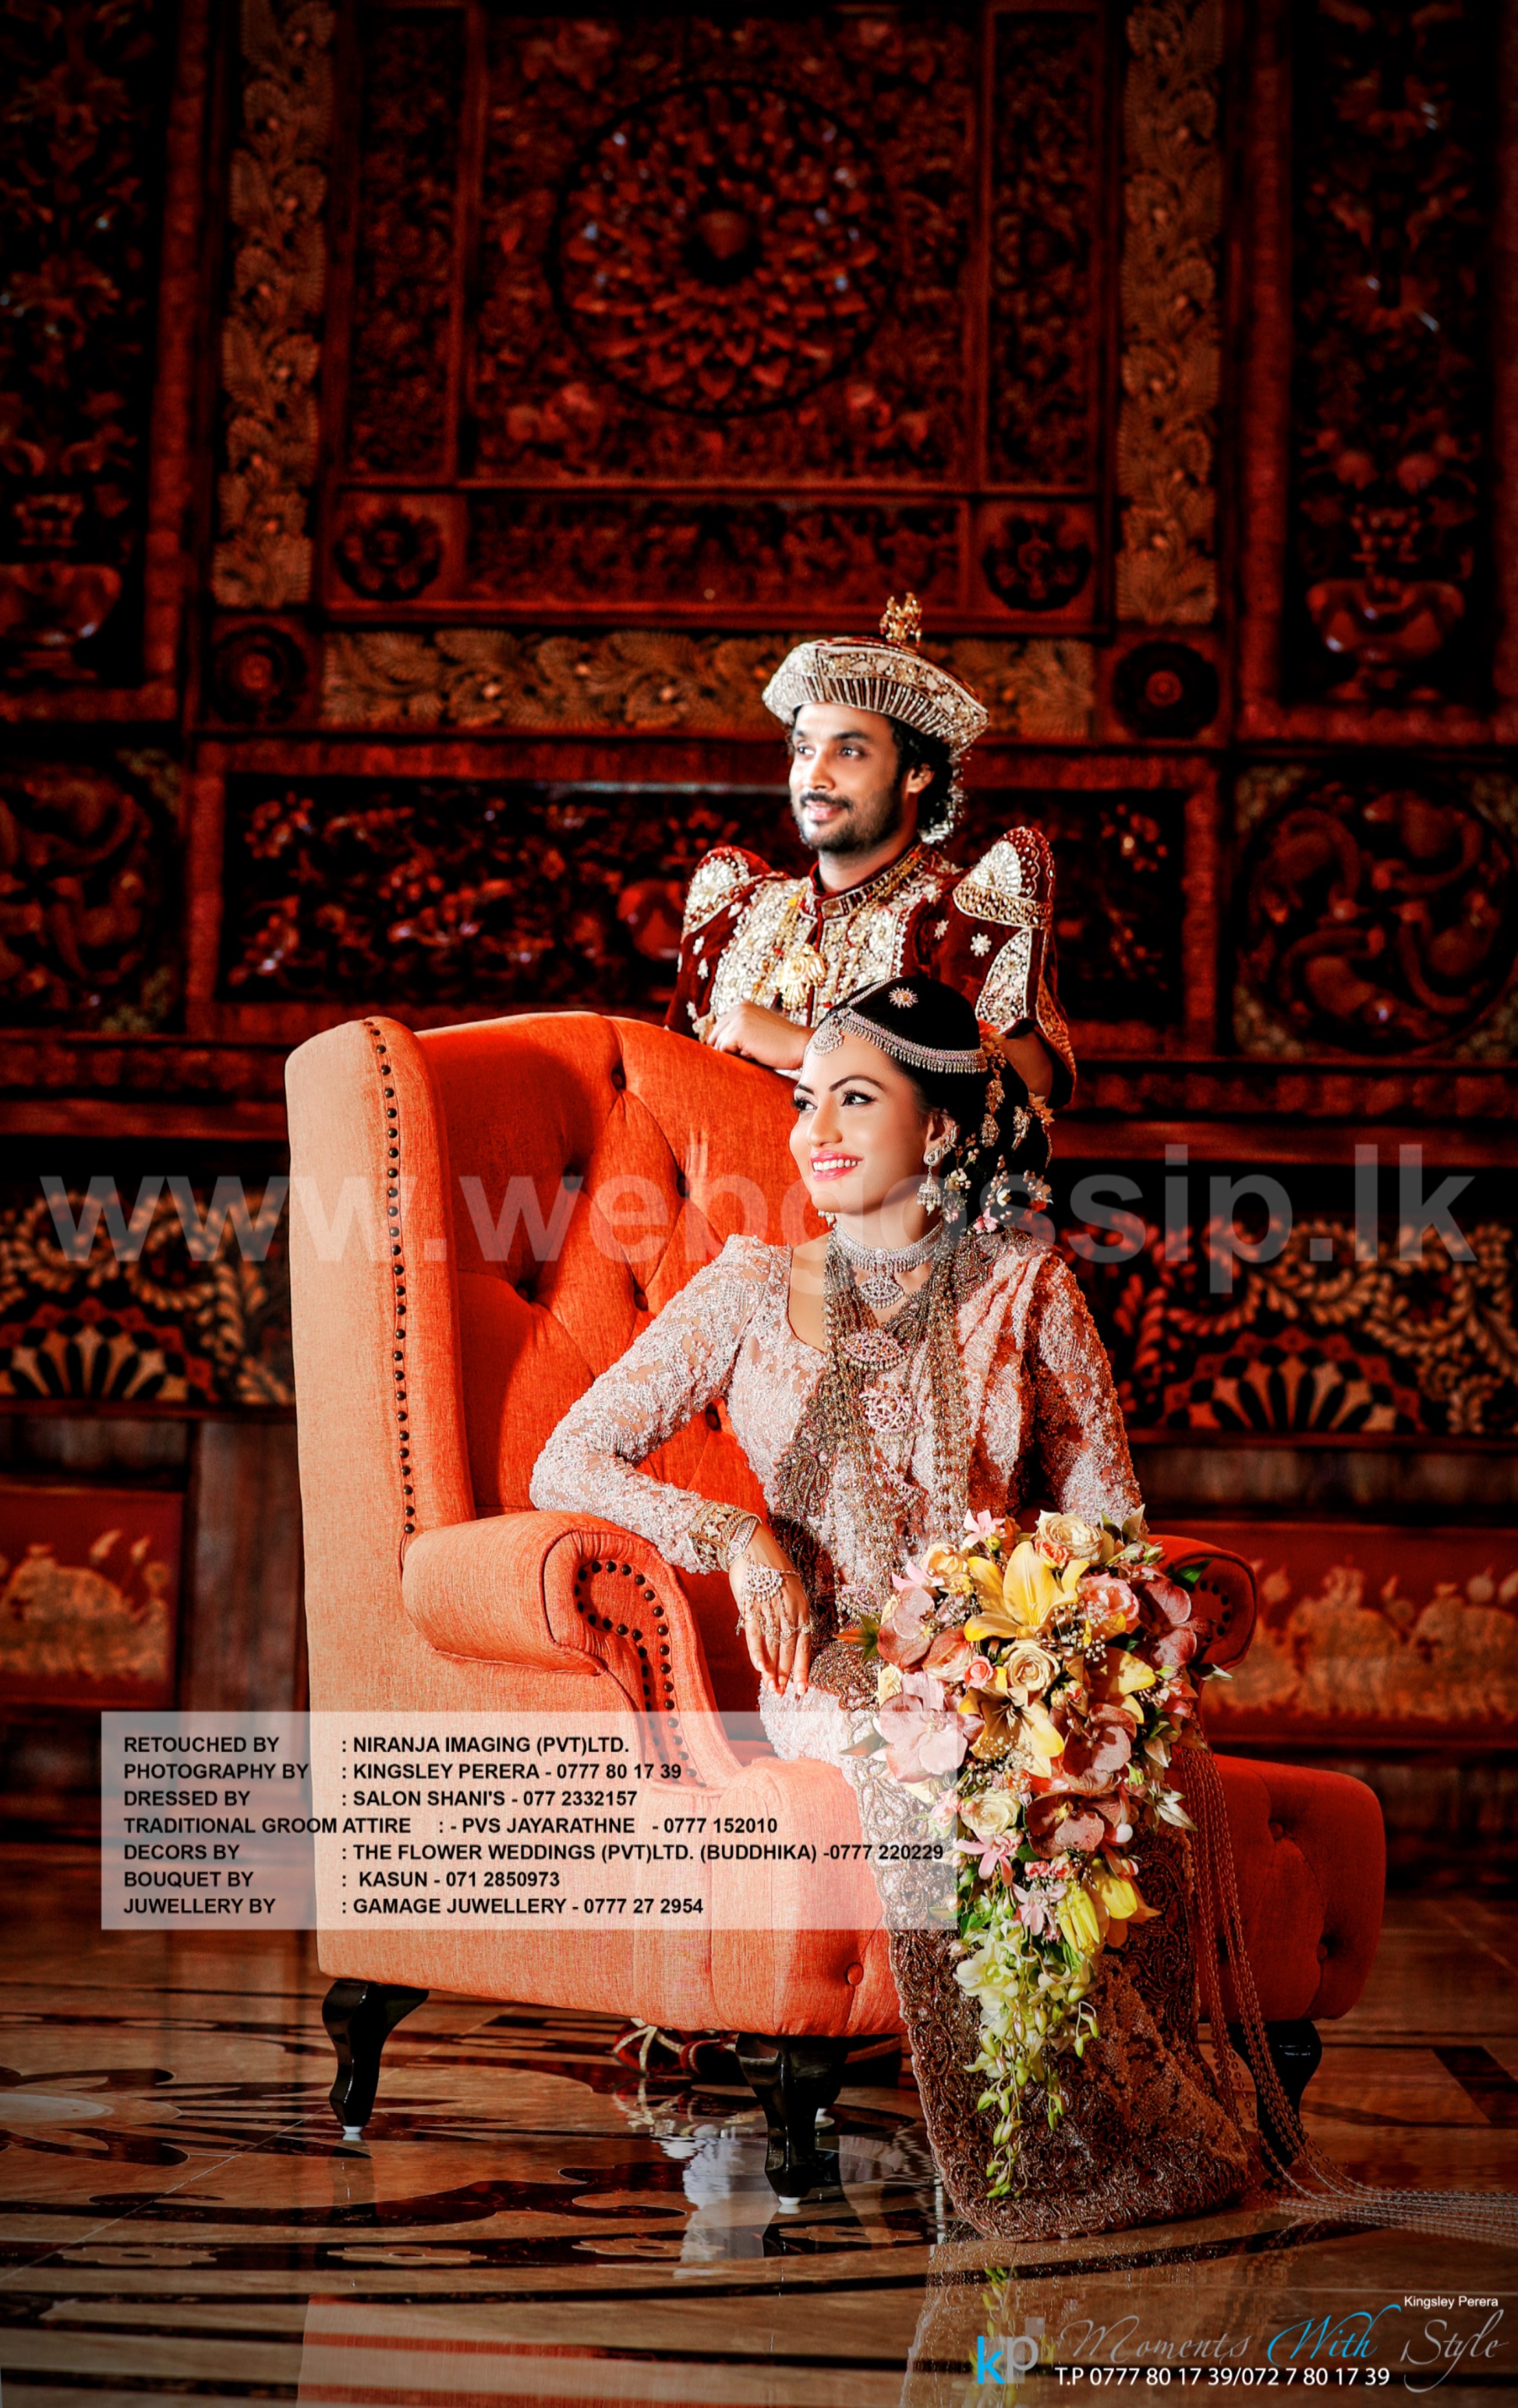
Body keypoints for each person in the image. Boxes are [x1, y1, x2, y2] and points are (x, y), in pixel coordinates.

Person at [531, 973, 1248, 2239]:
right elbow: (567, 1461)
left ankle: (1083, 2115)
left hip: (1003, 1658)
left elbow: (1108, 1533)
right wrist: (738, 1537)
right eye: (803, 1100)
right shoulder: (748, 1286)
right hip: (834, 1670)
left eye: (853, 1099)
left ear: (940, 1126)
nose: (813, 1128)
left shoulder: (1026, 1290)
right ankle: (1025, 2137)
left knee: (1101, 1754)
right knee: (945, 1756)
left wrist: (1059, 1659)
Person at [663, 595, 1075, 1108]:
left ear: (917, 773)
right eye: (804, 749)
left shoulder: (956, 915)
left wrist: (813, 1046)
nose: (815, 776)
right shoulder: (736, 909)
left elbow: (1030, 1084)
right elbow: (666, 1079)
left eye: (849, 751)